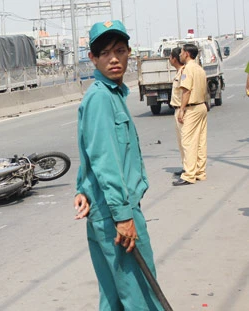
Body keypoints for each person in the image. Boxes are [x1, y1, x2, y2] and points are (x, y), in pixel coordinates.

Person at [74, 20, 163, 310]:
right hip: (117, 214)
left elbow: (91, 151)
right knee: (141, 299)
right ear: (93, 58)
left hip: (104, 210)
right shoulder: (101, 98)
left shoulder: (111, 94)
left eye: (120, 50)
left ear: (129, 54)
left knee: (114, 300)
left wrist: (82, 189)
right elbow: (105, 160)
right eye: (105, 52)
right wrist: (123, 216)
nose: (114, 58)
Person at [172, 43, 208, 186]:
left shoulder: (188, 69)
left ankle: (189, 175)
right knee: (200, 141)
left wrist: (182, 109)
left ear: (186, 53)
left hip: (191, 109)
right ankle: (199, 171)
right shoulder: (199, 69)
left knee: (188, 142)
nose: (180, 55)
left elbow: (186, 90)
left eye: (181, 52)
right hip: (201, 106)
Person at [169, 47, 186, 177]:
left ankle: (189, 169)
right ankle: (186, 166)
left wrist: (182, 110)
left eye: (170, 57)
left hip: (181, 110)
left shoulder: (183, 73)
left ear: (174, 59)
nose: (169, 59)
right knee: (181, 141)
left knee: (185, 141)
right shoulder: (179, 72)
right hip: (177, 109)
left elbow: (186, 92)